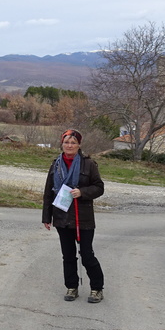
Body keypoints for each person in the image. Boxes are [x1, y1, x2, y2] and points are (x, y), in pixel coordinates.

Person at [42, 129, 106, 303]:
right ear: (62, 144)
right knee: (68, 256)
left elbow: (99, 187)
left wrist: (83, 192)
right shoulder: (55, 165)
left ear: (79, 145)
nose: (69, 145)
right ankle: (72, 287)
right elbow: (48, 192)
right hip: (62, 217)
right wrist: (46, 217)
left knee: (86, 254)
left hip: (83, 218)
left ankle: (97, 288)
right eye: (66, 142)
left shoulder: (89, 164)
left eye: (73, 143)